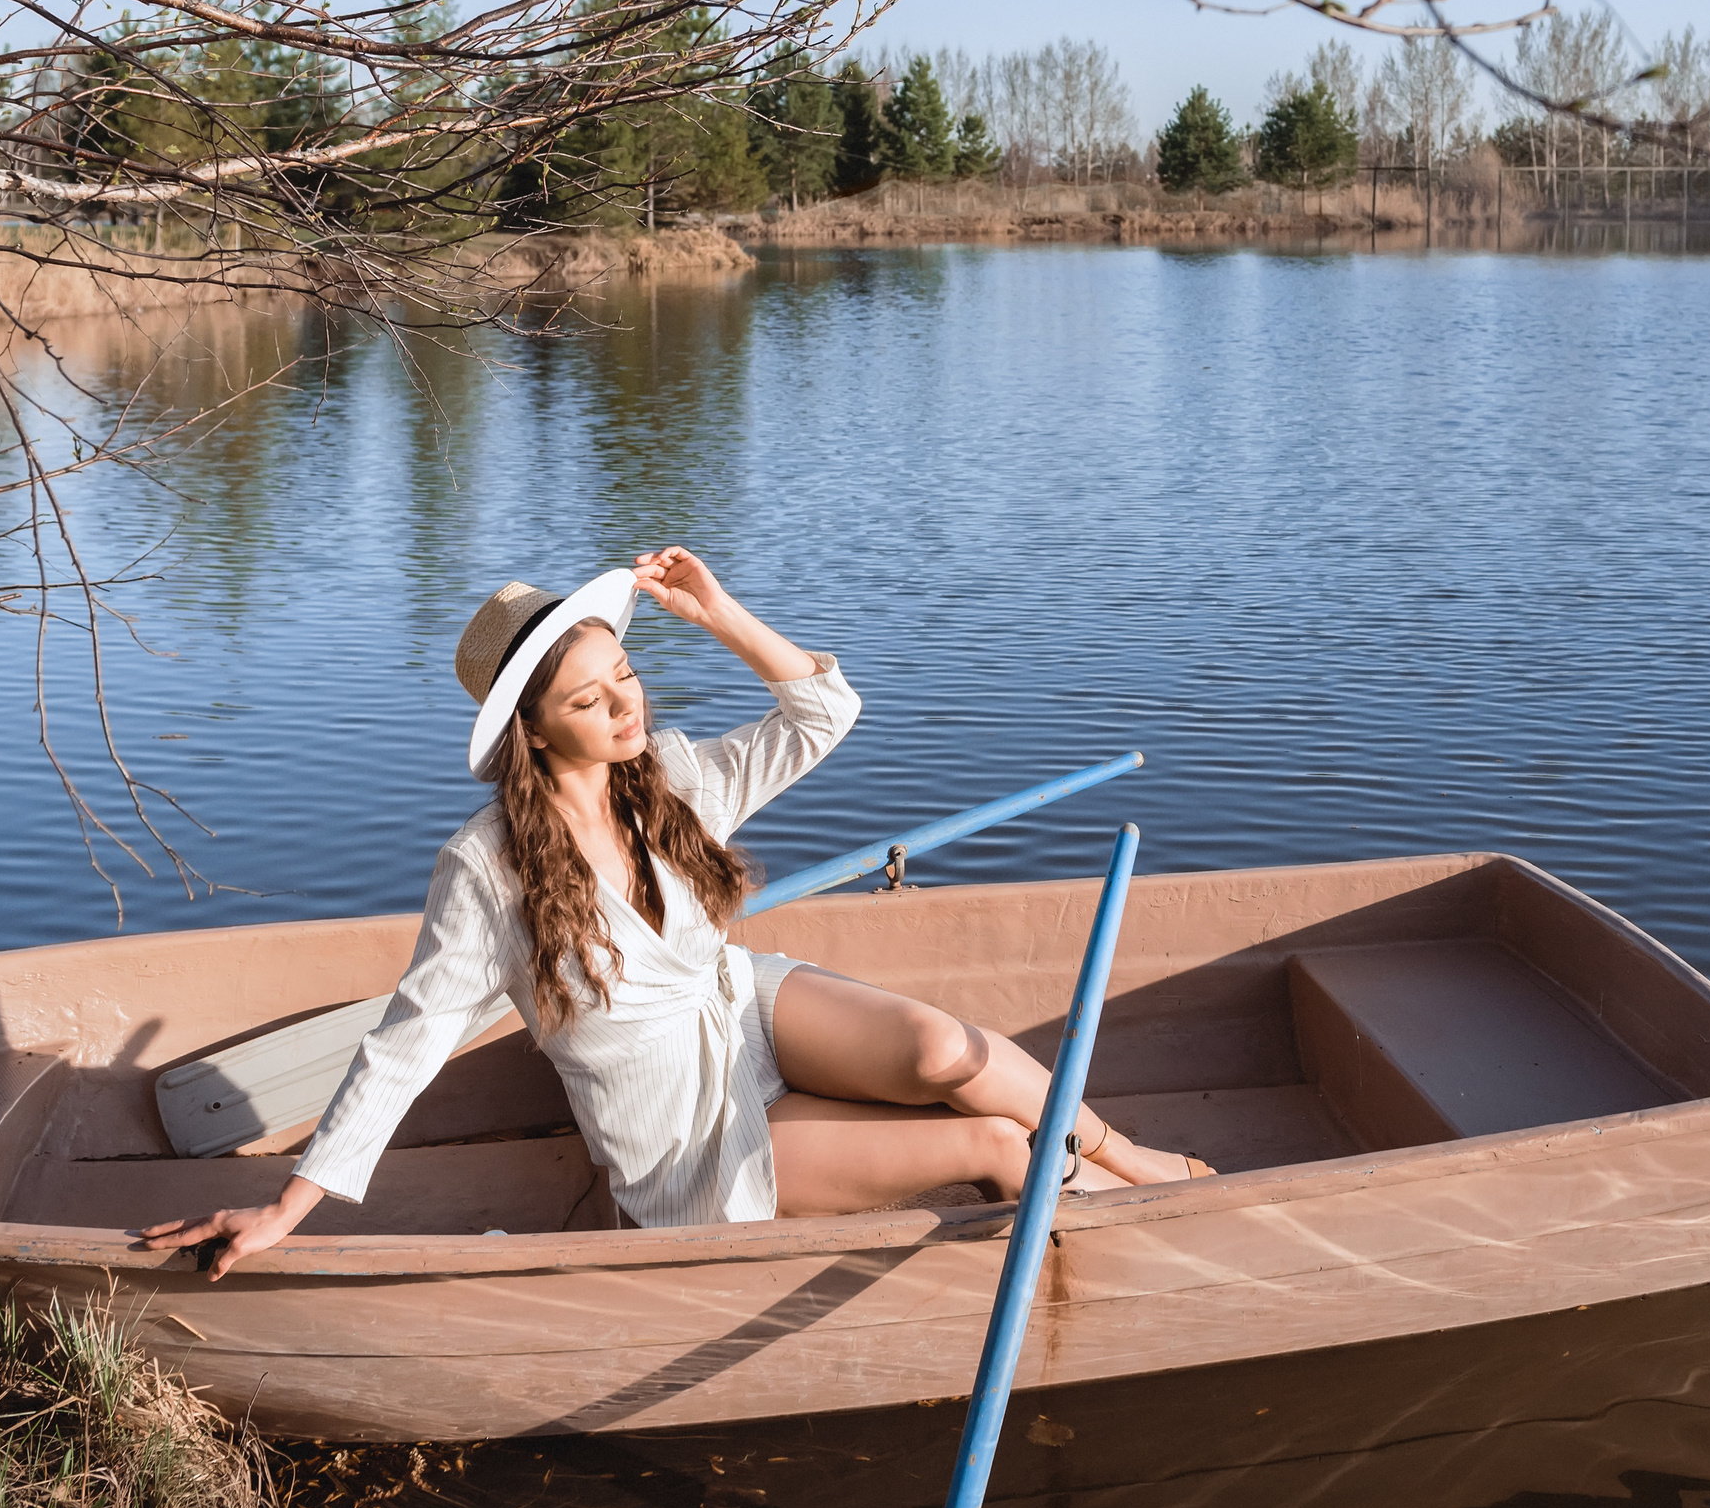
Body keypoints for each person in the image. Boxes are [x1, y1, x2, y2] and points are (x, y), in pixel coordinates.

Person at [140, 548, 1207, 1279]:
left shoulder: (674, 777)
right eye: (589, 701)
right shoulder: (487, 868)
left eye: (627, 673)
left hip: (742, 1009)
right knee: (992, 1145)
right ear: (534, 734)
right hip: (685, 1133)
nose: (624, 707)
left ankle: (1130, 1160)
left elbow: (826, 710)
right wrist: (288, 1206)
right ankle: (1143, 1255)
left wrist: (720, 613)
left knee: (943, 1047)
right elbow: (408, 1042)